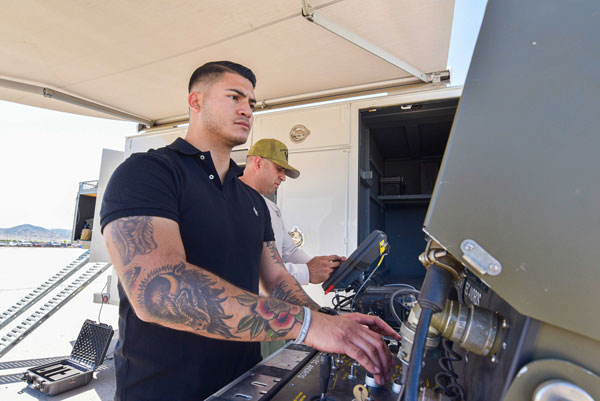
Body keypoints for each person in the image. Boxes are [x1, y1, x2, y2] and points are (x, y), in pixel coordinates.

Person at [100, 60, 400, 400]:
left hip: (243, 381)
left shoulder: (252, 201)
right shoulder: (149, 173)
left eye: (252, 104)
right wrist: (309, 326)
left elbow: (276, 279)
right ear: (195, 102)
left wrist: (331, 322)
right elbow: (158, 291)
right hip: (162, 387)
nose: (247, 110)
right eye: (234, 97)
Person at [240, 138, 345, 286]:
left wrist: (325, 268)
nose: (283, 178)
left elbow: (289, 251)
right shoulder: (232, 199)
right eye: (279, 169)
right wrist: (307, 271)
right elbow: (248, 265)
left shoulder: (271, 207)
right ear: (258, 163)